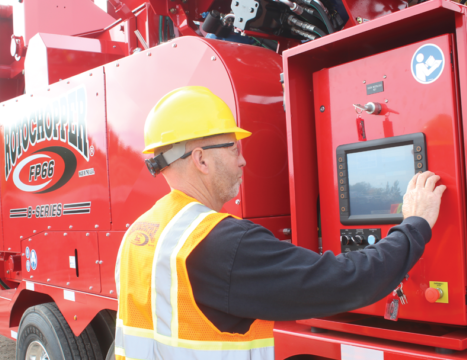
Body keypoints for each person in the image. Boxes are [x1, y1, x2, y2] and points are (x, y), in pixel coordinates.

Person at [114, 86, 447, 360]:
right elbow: (346, 281)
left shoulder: (140, 233)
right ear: (201, 159)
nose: (243, 160)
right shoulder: (221, 243)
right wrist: (415, 223)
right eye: (233, 148)